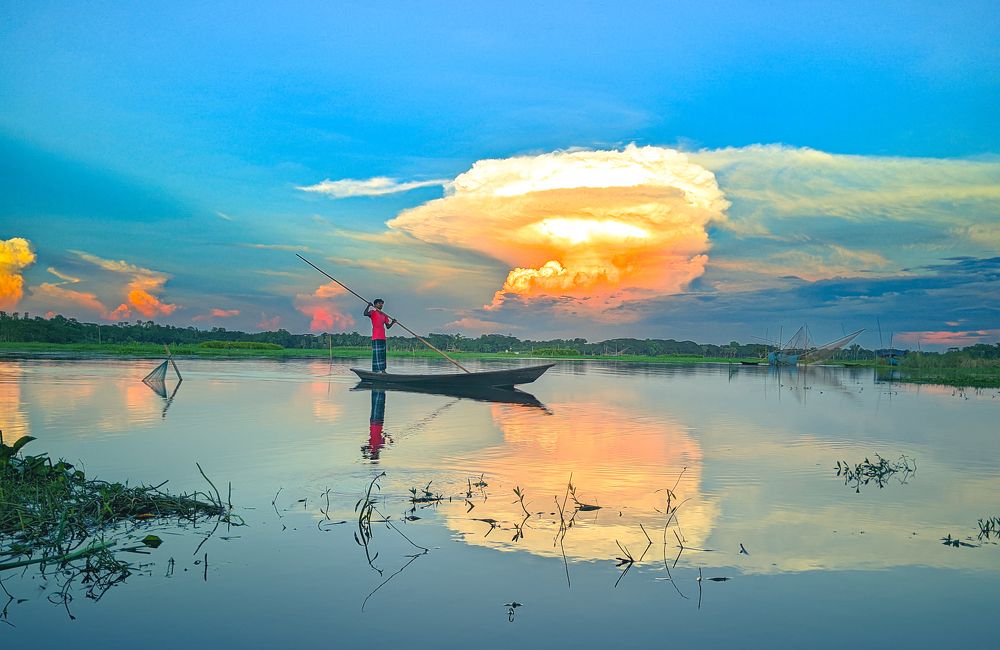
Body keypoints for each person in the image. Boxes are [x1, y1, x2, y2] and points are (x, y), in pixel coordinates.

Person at [364, 298, 395, 372]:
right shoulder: (373, 312)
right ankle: (376, 371)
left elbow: (387, 327)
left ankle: (383, 370)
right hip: (376, 337)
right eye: (379, 303)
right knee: (377, 354)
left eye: (381, 303)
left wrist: (393, 322)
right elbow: (365, 313)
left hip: (383, 337)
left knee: (382, 355)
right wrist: (368, 305)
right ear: (375, 305)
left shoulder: (384, 315)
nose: (381, 304)